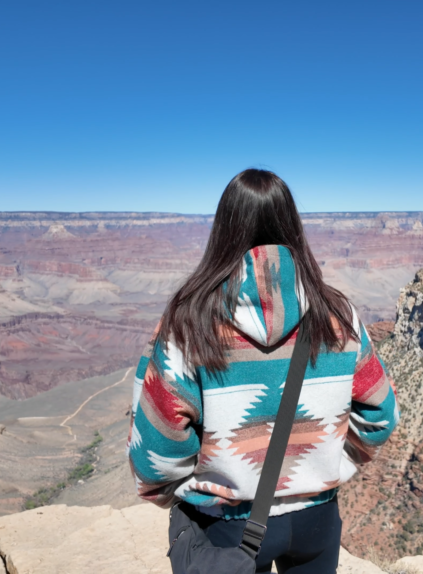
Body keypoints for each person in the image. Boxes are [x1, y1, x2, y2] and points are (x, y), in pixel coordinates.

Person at [128, 169, 399, 574]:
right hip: (316, 522)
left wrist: (195, 489)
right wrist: (326, 466)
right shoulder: (339, 315)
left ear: (223, 228)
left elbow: (156, 449)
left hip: (227, 525)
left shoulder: (188, 323)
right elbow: (382, 416)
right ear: (292, 224)